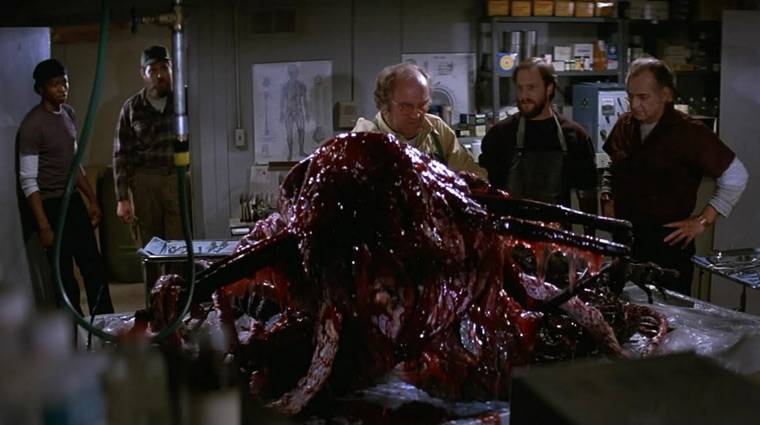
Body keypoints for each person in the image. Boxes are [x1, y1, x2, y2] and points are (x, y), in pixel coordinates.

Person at [601, 57, 748, 295]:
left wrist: (703, 220)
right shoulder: (625, 124)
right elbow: (612, 162)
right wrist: (607, 194)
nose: (634, 104)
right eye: (630, 96)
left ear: (665, 95)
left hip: (667, 246)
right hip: (625, 242)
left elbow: (736, 175)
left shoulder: (690, 133)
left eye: (643, 97)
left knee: (668, 312)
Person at [17, 58, 114, 315]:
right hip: (50, 205)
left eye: (65, 82)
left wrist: (91, 199)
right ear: (41, 89)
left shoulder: (68, 114)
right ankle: (71, 330)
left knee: (93, 266)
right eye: (55, 84)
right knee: (63, 276)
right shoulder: (32, 126)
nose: (62, 88)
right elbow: (28, 180)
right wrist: (44, 226)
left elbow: (74, 161)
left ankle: (105, 323)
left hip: (73, 200)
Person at [479, 58, 598, 220]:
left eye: (531, 88)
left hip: (556, 232)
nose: (524, 96)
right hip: (512, 231)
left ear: (549, 88)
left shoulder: (574, 135)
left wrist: (589, 233)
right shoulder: (500, 135)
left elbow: (587, 192)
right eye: (520, 88)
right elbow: (486, 191)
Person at [353, 63, 487, 179]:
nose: (416, 114)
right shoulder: (364, 139)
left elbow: (478, 177)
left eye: (423, 105)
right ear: (385, 105)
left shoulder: (436, 129)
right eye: (406, 107)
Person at [113, 45, 181, 247]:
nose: (160, 75)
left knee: (178, 246)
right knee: (150, 246)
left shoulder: (183, 101)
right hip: (145, 183)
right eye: (153, 71)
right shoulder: (132, 108)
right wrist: (122, 198)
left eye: (164, 68)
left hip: (176, 179)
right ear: (143, 73)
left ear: (171, 69)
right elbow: (120, 155)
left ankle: (176, 271)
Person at [280, 64, 309, 160]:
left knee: (301, 130)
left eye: (295, 72)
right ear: (289, 73)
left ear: (297, 73)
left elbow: (305, 100)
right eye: (291, 72)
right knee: (289, 133)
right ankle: (290, 153)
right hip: (288, 111)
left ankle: (301, 150)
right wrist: (281, 113)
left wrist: (307, 113)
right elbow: (282, 100)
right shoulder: (285, 87)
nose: (293, 74)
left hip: (298, 111)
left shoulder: (301, 86)